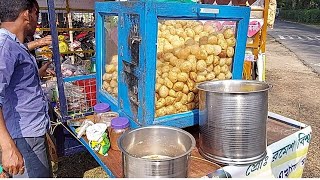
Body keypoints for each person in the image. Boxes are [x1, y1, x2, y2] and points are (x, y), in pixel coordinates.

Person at [0, 0, 52, 178]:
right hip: (24, 136)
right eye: (36, 14)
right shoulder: (4, 45)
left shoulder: (14, 44)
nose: (37, 20)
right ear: (26, 14)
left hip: (31, 131)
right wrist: (7, 147)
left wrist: (36, 75)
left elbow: (12, 82)